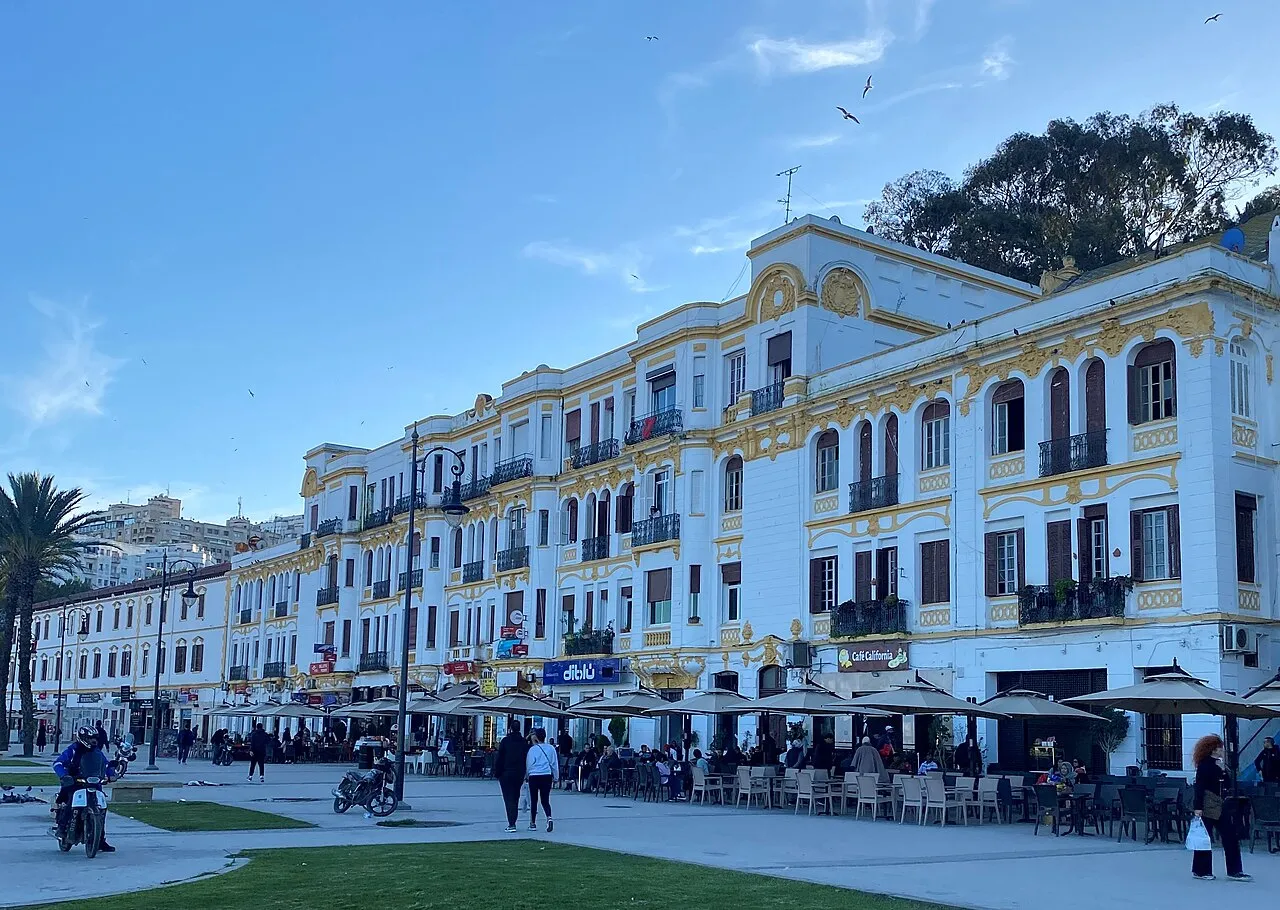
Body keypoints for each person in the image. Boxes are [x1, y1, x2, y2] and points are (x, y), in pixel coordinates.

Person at [52, 726, 119, 852]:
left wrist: (111, 774)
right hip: (75, 782)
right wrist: (64, 775)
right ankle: (62, 829)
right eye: (90, 738)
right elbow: (58, 763)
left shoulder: (97, 752)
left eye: (95, 738)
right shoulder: (73, 750)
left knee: (101, 809)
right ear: (82, 738)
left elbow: (105, 764)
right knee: (70, 803)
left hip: (93, 783)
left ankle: (100, 840)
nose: (93, 741)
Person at [1192, 733, 1250, 881]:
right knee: (1205, 838)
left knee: (1230, 836)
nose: (1222, 750)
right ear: (1213, 749)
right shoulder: (1204, 766)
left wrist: (1224, 770)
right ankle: (1201, 870)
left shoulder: (1219, 765)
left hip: (1220, 804)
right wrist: (1198, 807)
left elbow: (1228, 784)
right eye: (1220, 748)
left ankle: (1235, 870)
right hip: (1207, 804)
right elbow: (1199, 787)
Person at [493, 725, 529, 833]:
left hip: (506, 772)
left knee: (508, 798)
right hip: (519, 773)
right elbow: (525, 757)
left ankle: (511, 823)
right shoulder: (523, 742)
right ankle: (513, 820)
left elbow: (500, 757)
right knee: (515, 796)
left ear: (510, 729)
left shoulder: (505, 741)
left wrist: (497, 772)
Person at [525, 727, 558, 832]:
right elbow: (554, 764)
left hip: (534, 775)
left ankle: (532, 823)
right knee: (545, 799)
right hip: (546, 775)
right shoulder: (551, 748)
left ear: (536, 737)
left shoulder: (533, 749)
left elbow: (529, 764)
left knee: (534, 800)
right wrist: (556, 776)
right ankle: (549, 817)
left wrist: (527, 775)